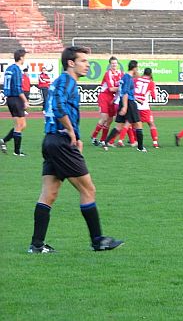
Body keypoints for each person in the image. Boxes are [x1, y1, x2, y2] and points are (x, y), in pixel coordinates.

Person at [28, 46, 123, 253]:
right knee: (88, 190)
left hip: (51, 140)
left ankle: (36, 245)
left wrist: (76, 136)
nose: (87, 65)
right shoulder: (67, 81)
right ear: (71, 63)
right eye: (83, 61)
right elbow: (59, 107)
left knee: (49, 193)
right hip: (62, 141)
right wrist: (72, 132)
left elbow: (54, 107)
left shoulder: (61, 81)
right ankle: (98, 240)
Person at [102, 60, 147, 152]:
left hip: (125, 102)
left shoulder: (125, 76)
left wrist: (137, 100)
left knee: (119, 126)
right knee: (138, 124)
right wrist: (125, 106)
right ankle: (140, 147)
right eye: (137, 68)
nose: (137, 70)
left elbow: (126, 92)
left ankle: (105, 143)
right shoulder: (129, 78)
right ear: (134, 68)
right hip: (128, 103)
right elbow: (125, 93)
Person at [115, 67, 159, 148]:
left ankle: (120, 140)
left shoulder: (136, 80)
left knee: (129, 123)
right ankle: (155, 143)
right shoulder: (151, 83)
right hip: (144, 106)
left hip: (134, 104)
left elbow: (130, 89)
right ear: (150, 74)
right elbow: (153, 96)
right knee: (151, 124)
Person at [0, 49, 29, 156]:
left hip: (10, 99)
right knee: (20, 125)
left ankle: (3, 141)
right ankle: (17, 151)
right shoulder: (16, 69)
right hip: (16, 99)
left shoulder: (9, 68)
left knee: (21, 125)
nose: (25, 59)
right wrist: (25, 101)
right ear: (21, 57)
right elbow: (17, 88)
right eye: (24, 57)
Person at [91, 56, 122, 145]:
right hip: (104, 96)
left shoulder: (120, 73)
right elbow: (111, 89)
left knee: (109, 120)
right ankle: (93, 137)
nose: (114, 65)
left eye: (115, 63)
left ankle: (103, 140)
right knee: (104, 118)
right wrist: (122, 88)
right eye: (112, 63)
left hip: (113, 97)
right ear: (110, 64)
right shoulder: (108, 74)